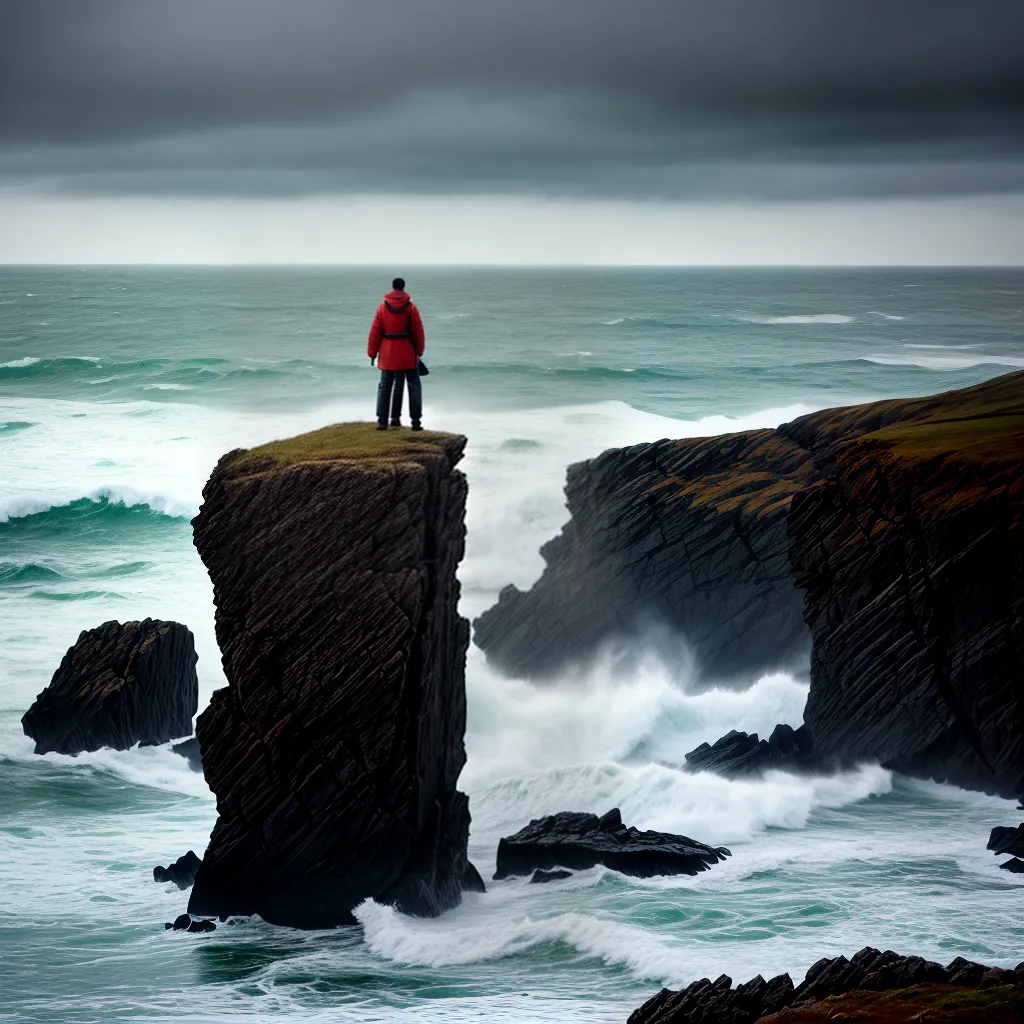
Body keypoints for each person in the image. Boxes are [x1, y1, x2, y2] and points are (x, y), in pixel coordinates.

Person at [366, 277, 425, 430]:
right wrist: (419, 352)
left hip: (388, 353)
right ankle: (415, 422)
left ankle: (382, 421)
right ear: (403, 288)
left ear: (392, 288)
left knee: (385, 385)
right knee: (413, 385)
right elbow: (418, 332)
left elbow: (375, 331)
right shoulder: (411, 308)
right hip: (407, 353)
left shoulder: (382, 308)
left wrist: (372, 352)